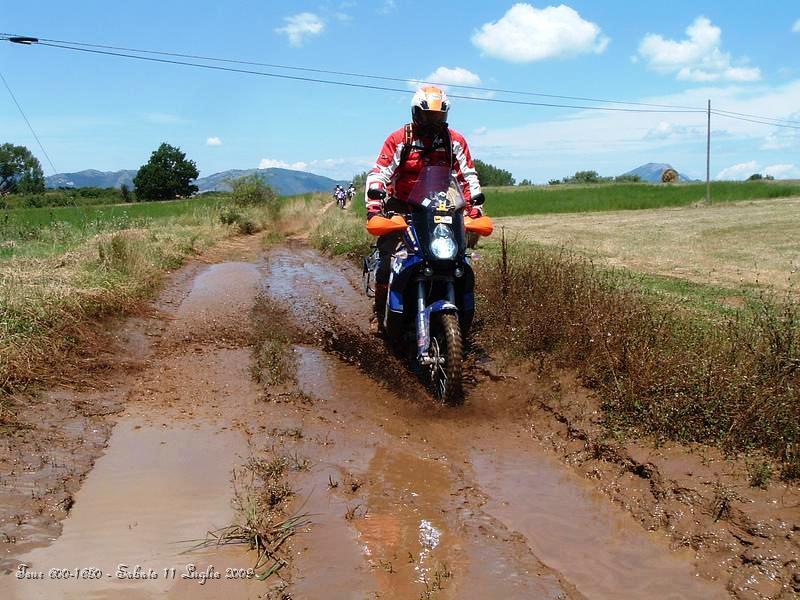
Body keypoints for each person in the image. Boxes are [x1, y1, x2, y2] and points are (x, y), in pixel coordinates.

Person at [364, 85, 484, 333]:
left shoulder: (455, 141)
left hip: (442, 206)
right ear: (416, 113)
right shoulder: (400, 139)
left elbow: (467, 177)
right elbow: (379, 173)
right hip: (403, 206)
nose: (434, 121)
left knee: (458, 259)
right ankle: (379, 312)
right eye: (429, 115)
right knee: (389, 261)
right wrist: (375, 208)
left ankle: (459, 311)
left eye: (439, 116)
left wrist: (474, 211)